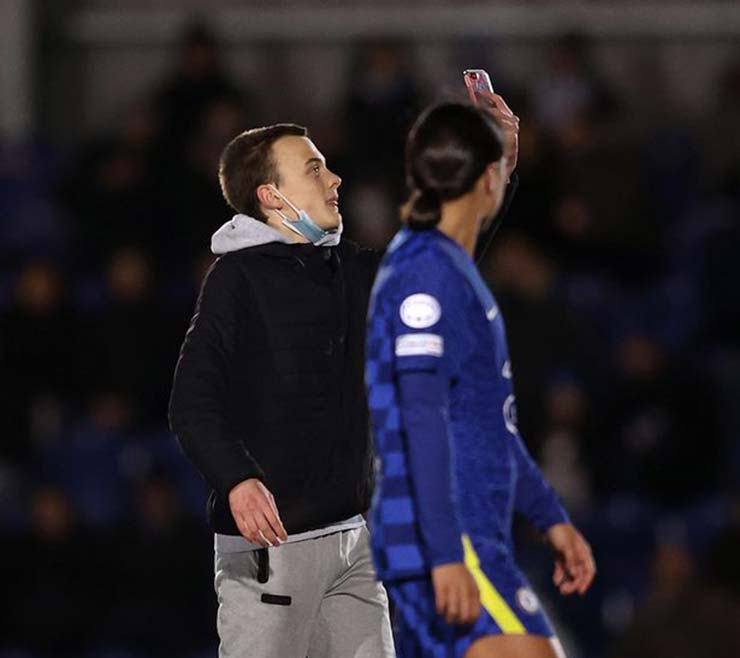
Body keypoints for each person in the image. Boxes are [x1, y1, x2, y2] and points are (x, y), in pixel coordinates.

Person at [365, 102, 596, 658]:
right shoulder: (427, 276)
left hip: (462, 532)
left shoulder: (446, 266)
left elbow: (488, 422)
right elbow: (420, 418)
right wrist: (447, 554)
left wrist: (550, 517)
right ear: (488, 178)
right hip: (449, 536)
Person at [168, 123, 395, 658]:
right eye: (314, 169)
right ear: (272, 196)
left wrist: (494, 165)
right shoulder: (236, 279)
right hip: (272, 549)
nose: (334, 179)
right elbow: (191, 401)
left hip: (353, 540)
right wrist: (237, 479)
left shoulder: (349, 271)